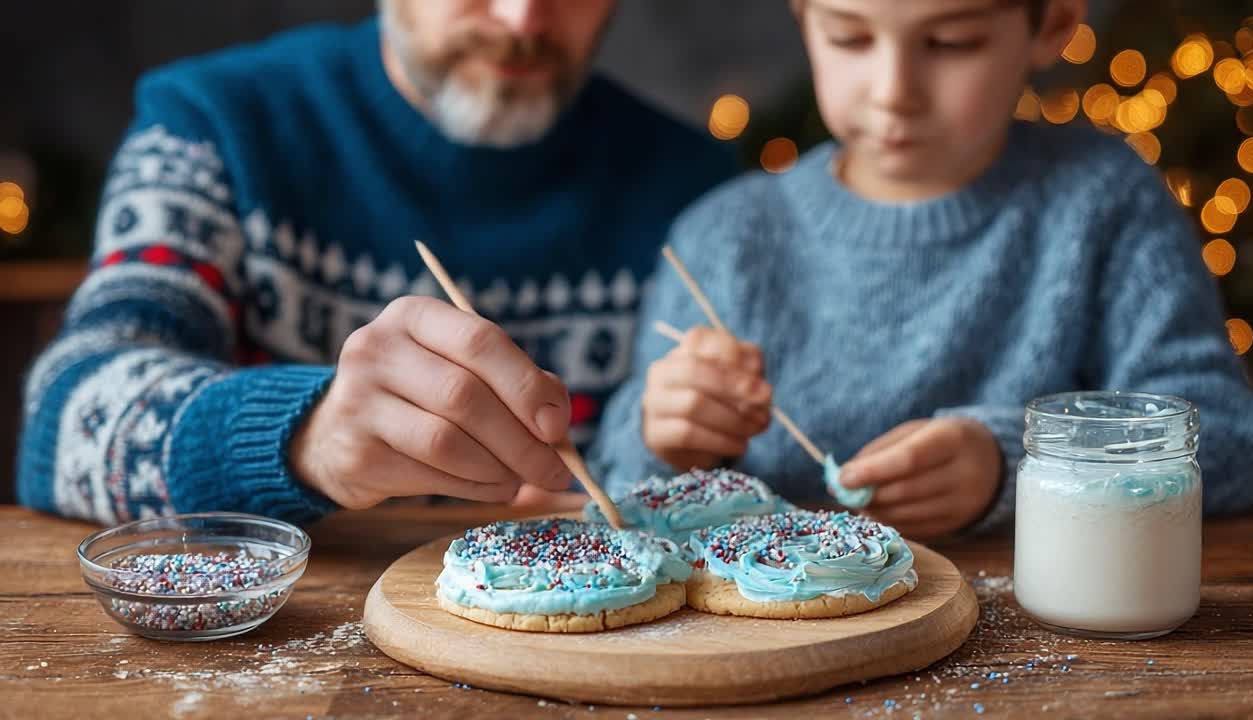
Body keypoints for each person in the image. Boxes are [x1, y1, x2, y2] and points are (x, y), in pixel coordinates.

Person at [18, 0, 736, 525]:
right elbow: (63, 424)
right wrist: (307, 438)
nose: (523, 20)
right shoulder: (214, 125)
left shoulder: (701, 197)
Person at [592, 0, 1253, 539]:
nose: (894, 91)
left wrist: (1015, 463)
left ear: (1053, 25)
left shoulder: (1104, 207)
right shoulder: (726, 235)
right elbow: (617, 484)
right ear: (804, 17)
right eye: (850, 38)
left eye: (952, 43)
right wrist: (662, 436)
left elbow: (1230, 440)